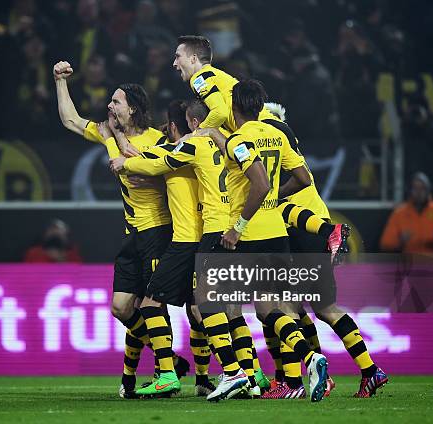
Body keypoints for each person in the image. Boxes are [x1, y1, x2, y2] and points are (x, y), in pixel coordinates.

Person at [53, 60, 189, 399]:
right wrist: (59, 81)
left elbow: (154, 171)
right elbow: (70, 119)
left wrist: (126, 149)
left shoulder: (158, 140)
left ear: (133, 109)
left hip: (159, 231)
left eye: (116, 101)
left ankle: (168, 373)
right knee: (120, 308)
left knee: (151, 303)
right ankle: (167, 358)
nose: (109, 106)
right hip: (133, 235)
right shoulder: (107, 132)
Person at [193, 79, 329, 402]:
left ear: (234, 107)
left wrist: (238, 226)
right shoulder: (277, 134)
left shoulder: (241, 138)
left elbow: (259, 183)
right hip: (277, 235)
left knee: (209, 299)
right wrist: (274, 201)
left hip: (251, 236)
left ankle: (233, 373)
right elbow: (304, 179)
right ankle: (311, 358)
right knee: (270, 309)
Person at [111, 99, 255, 402]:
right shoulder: (226, 146)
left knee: (153, 304)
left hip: (195, 236)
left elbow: (156, 162)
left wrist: (125, 161)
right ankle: (245, 375)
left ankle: (178, 375)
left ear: (186, 124)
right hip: (225, 228)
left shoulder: (192, 147)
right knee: (210, 309)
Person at [171, 35, 349, 261]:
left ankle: (325, 234)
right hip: (276, 128)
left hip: (259, 130)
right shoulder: (216, 76)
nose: (175, 63)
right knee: (280, 195)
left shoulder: (199, 78)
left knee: (265, 189)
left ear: (194, 58)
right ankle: (327, 232)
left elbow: (219, 111)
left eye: (178, 56)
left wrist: (196, 134)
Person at [264, 101, 389, 399]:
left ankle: (291, 383)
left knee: (281, 308)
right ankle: (369, 370)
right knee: (323, 309)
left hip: (297, 231)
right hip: (315, 229)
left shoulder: (269, 143)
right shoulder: (289, 147)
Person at [380, 172, 433, 254]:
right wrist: (401, 241)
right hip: (409, 261)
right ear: (410, 191)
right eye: (415, 188)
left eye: (423, 188)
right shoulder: (399, 213)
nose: (419, 192)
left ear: (428, 190)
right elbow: (385, 243)